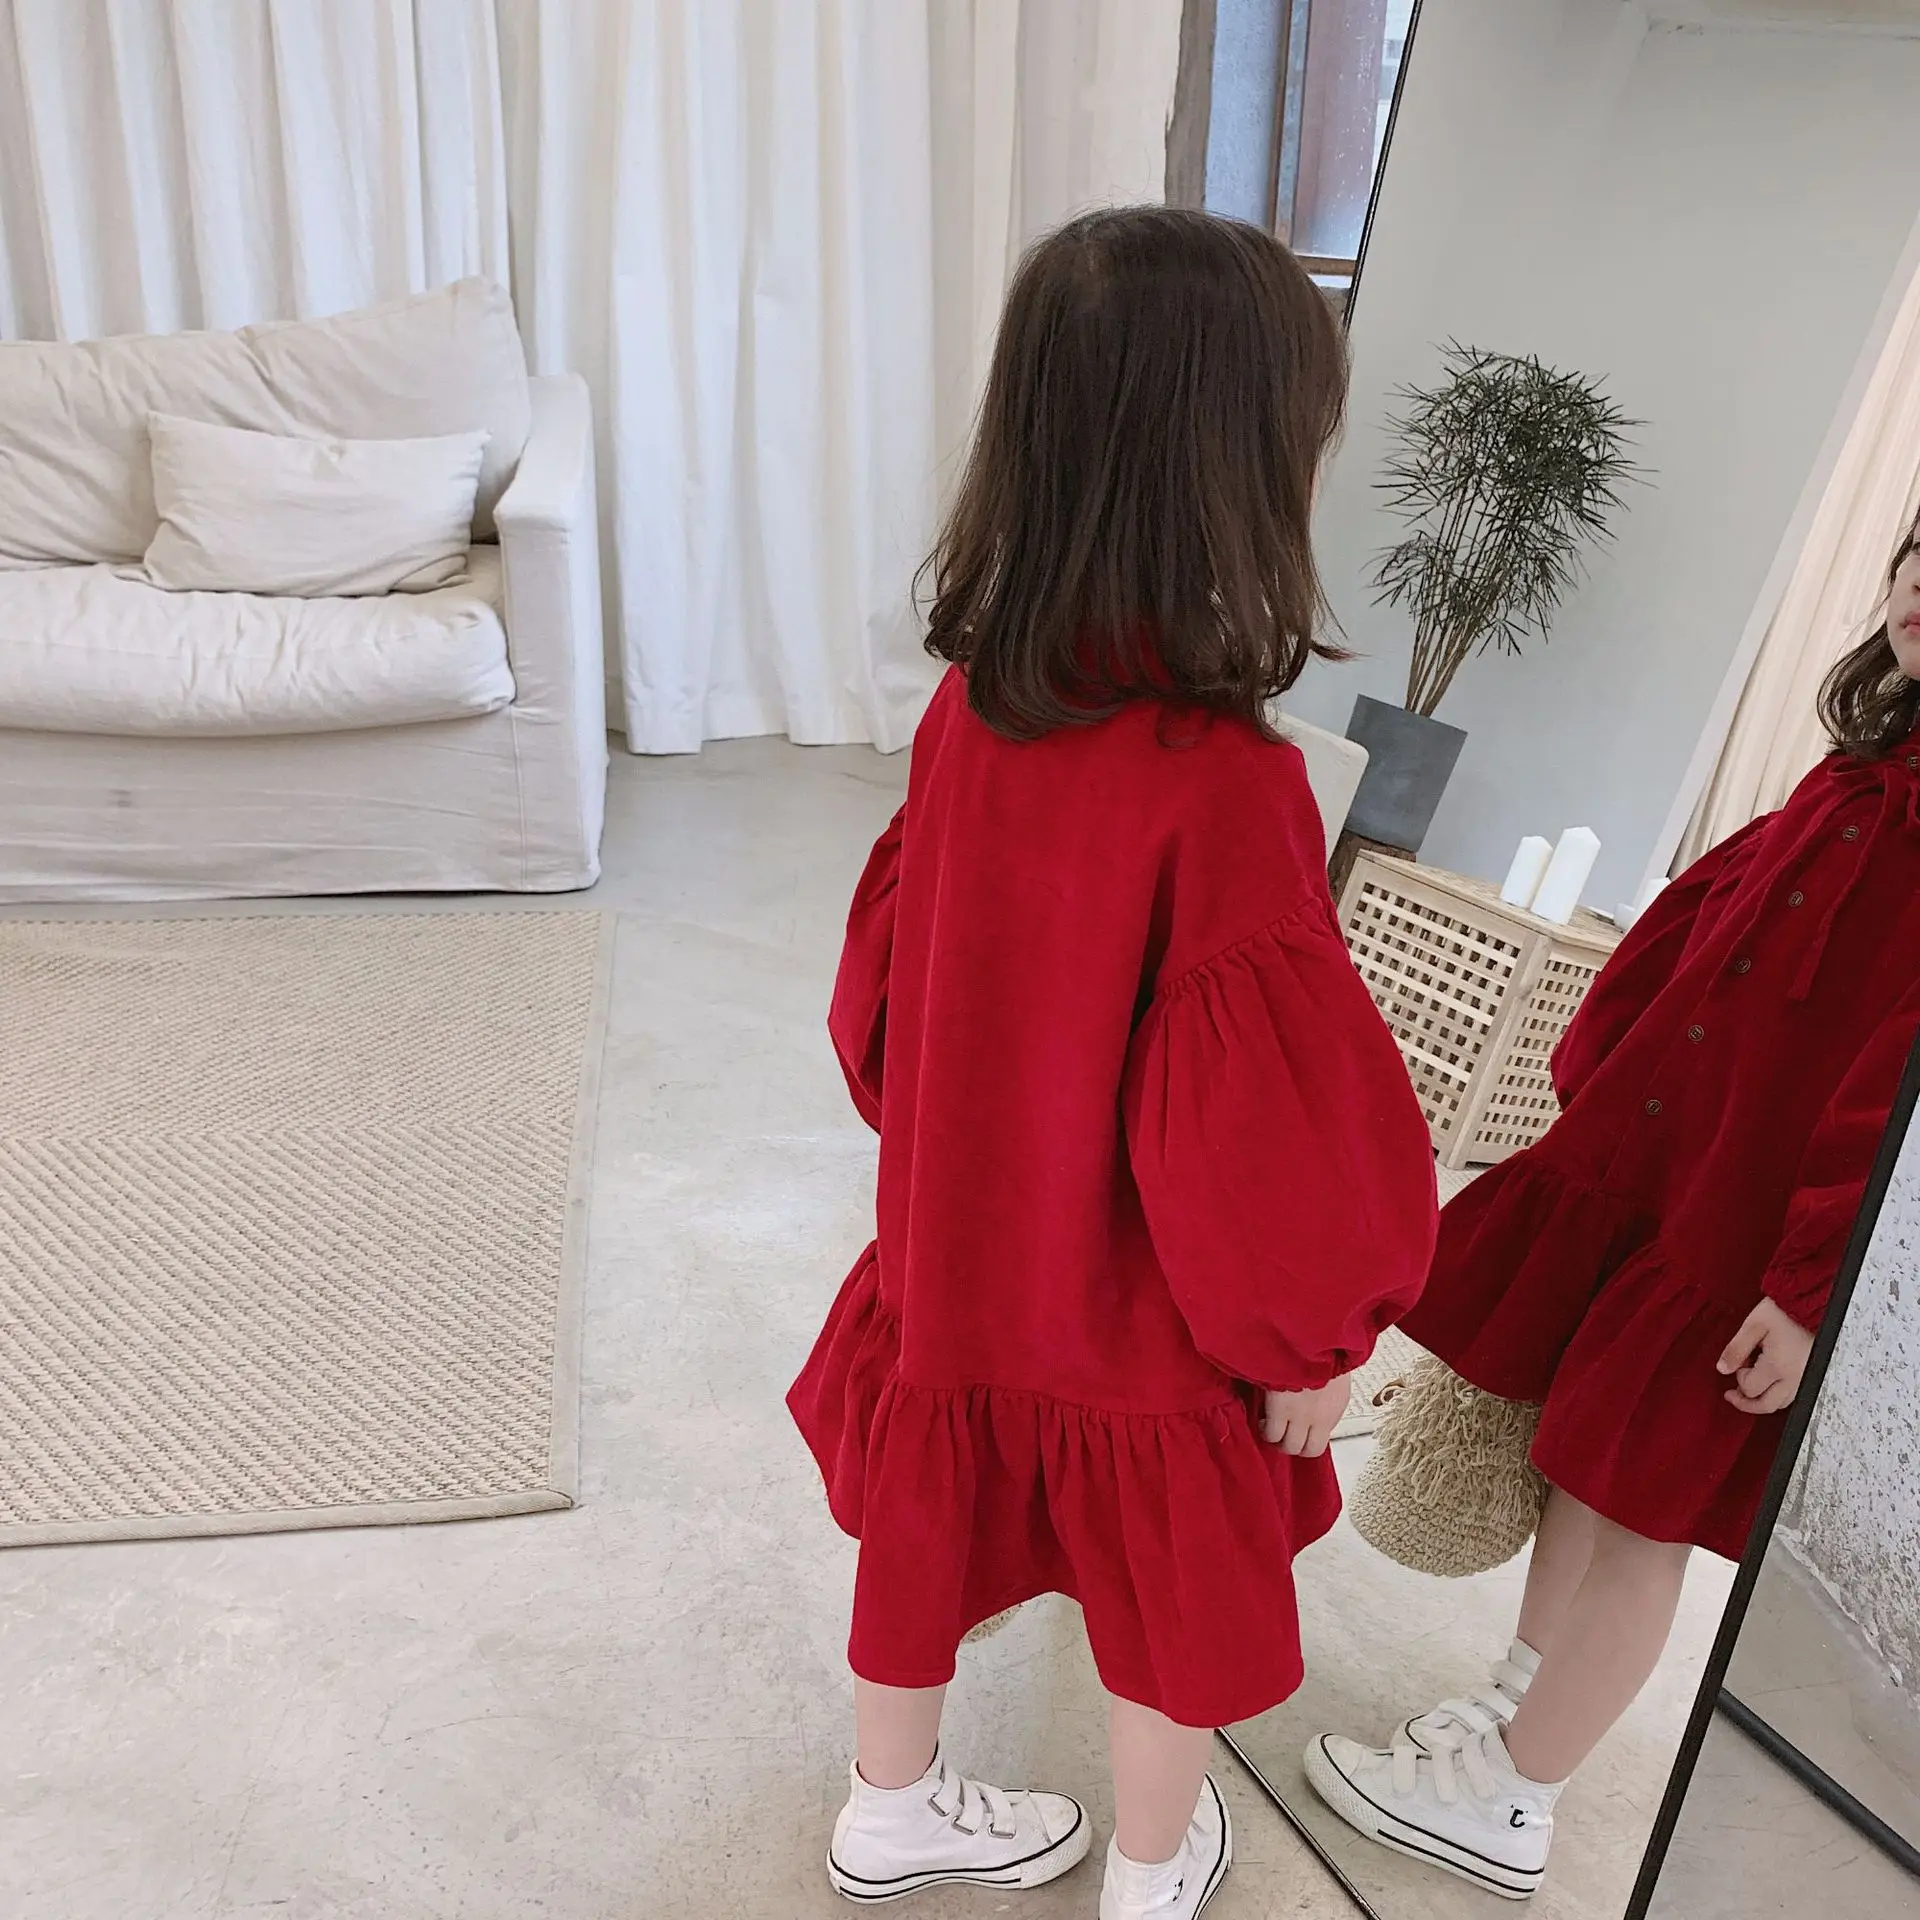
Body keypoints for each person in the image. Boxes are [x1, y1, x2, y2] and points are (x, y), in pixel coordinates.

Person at [786, 207, 1439, 1920]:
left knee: (926, 1520)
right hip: (1139, 1313)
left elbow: (884, 1007)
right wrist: (1313, 1334)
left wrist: (950, 1150)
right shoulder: (1228, 782)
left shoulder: (969, 714)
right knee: (1165, 1582)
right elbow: (1263, 1123)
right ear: (1245, 466)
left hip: (961, 1254)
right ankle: (1152, 1873)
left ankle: (888, 1807)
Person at [1306, 517, 1920, 1900]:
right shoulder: (1859, 772)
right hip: (1663, 1177)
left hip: (1745, 1240)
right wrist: (1599, 1076)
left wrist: (1808, 1287)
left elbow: (1899, 1092)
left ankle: (1515, 1798)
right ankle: (1521, 1696)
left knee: (1646, 1514)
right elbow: (1700, 924)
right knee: (1583, 1457)